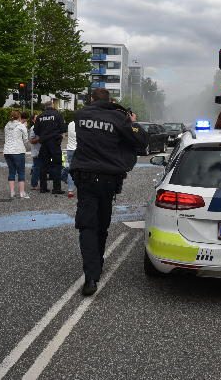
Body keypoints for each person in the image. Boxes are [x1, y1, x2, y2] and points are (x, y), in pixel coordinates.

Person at [71, 88, 147, 296]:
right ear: (110, 100)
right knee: (102, 224)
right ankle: (98, 264)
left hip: (85, 177)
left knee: (87, 225)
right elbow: (140, 143)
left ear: (92, 99)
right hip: (107, 179)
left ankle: (90, 276)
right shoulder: (118, 118)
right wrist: (131, 122)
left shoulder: (80, 115)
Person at [34, 101, 66, 194]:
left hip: (44, 143)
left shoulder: (40, 116)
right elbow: (63, 128)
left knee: (43, 166)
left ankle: (43, 188)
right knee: (57, 165)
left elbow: (36, 131)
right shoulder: (57, 115)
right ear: (52, 106)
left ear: (45, 107)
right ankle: (56, 188)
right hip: (55, 143)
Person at [3, 110, 30, 199]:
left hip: (7, 151)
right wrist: (25, 128)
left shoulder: (7, 125)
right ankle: (22, 193)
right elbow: (26, 140)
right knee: (21, 172)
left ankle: (12, 192)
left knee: (11, 171)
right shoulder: (21, 126)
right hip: (18, 151)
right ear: (19, 117)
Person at [28, 114, 41, 189]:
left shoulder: (40, 127)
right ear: (33, 120)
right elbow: (31, 140)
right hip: (36, 151)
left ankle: (37, 183)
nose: (38, 119)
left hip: (41, 150)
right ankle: (34, 185)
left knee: (39, 168)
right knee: (36, 168)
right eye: (36, 118)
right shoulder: (33, 128)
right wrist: (40, 138)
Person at [65, 119, 77, 198]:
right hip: (78, 149)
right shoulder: (81, 124)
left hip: (70, 149)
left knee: (70, 170)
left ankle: (70, 190)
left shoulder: (70, 124)